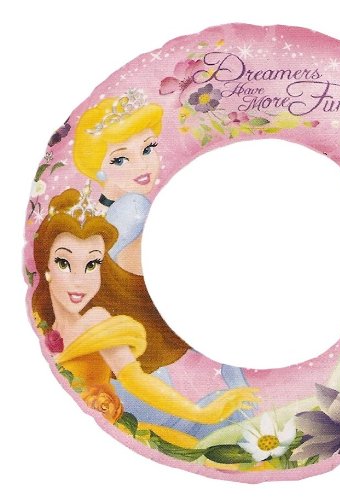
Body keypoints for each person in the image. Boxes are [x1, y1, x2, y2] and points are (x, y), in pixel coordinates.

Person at [31, 188, 258, 447]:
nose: (80, 280)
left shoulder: (97, 320)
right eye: (64, 263)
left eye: (92, 265)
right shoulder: (40, 325)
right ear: (45, 267)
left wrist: (201, 413)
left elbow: (135, 379)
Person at [73, 89, 161, 275]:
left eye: (147, 149)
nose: (142, 165)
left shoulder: (98, 214)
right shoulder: (135, 206)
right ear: (98, 168)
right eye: (120, 160)